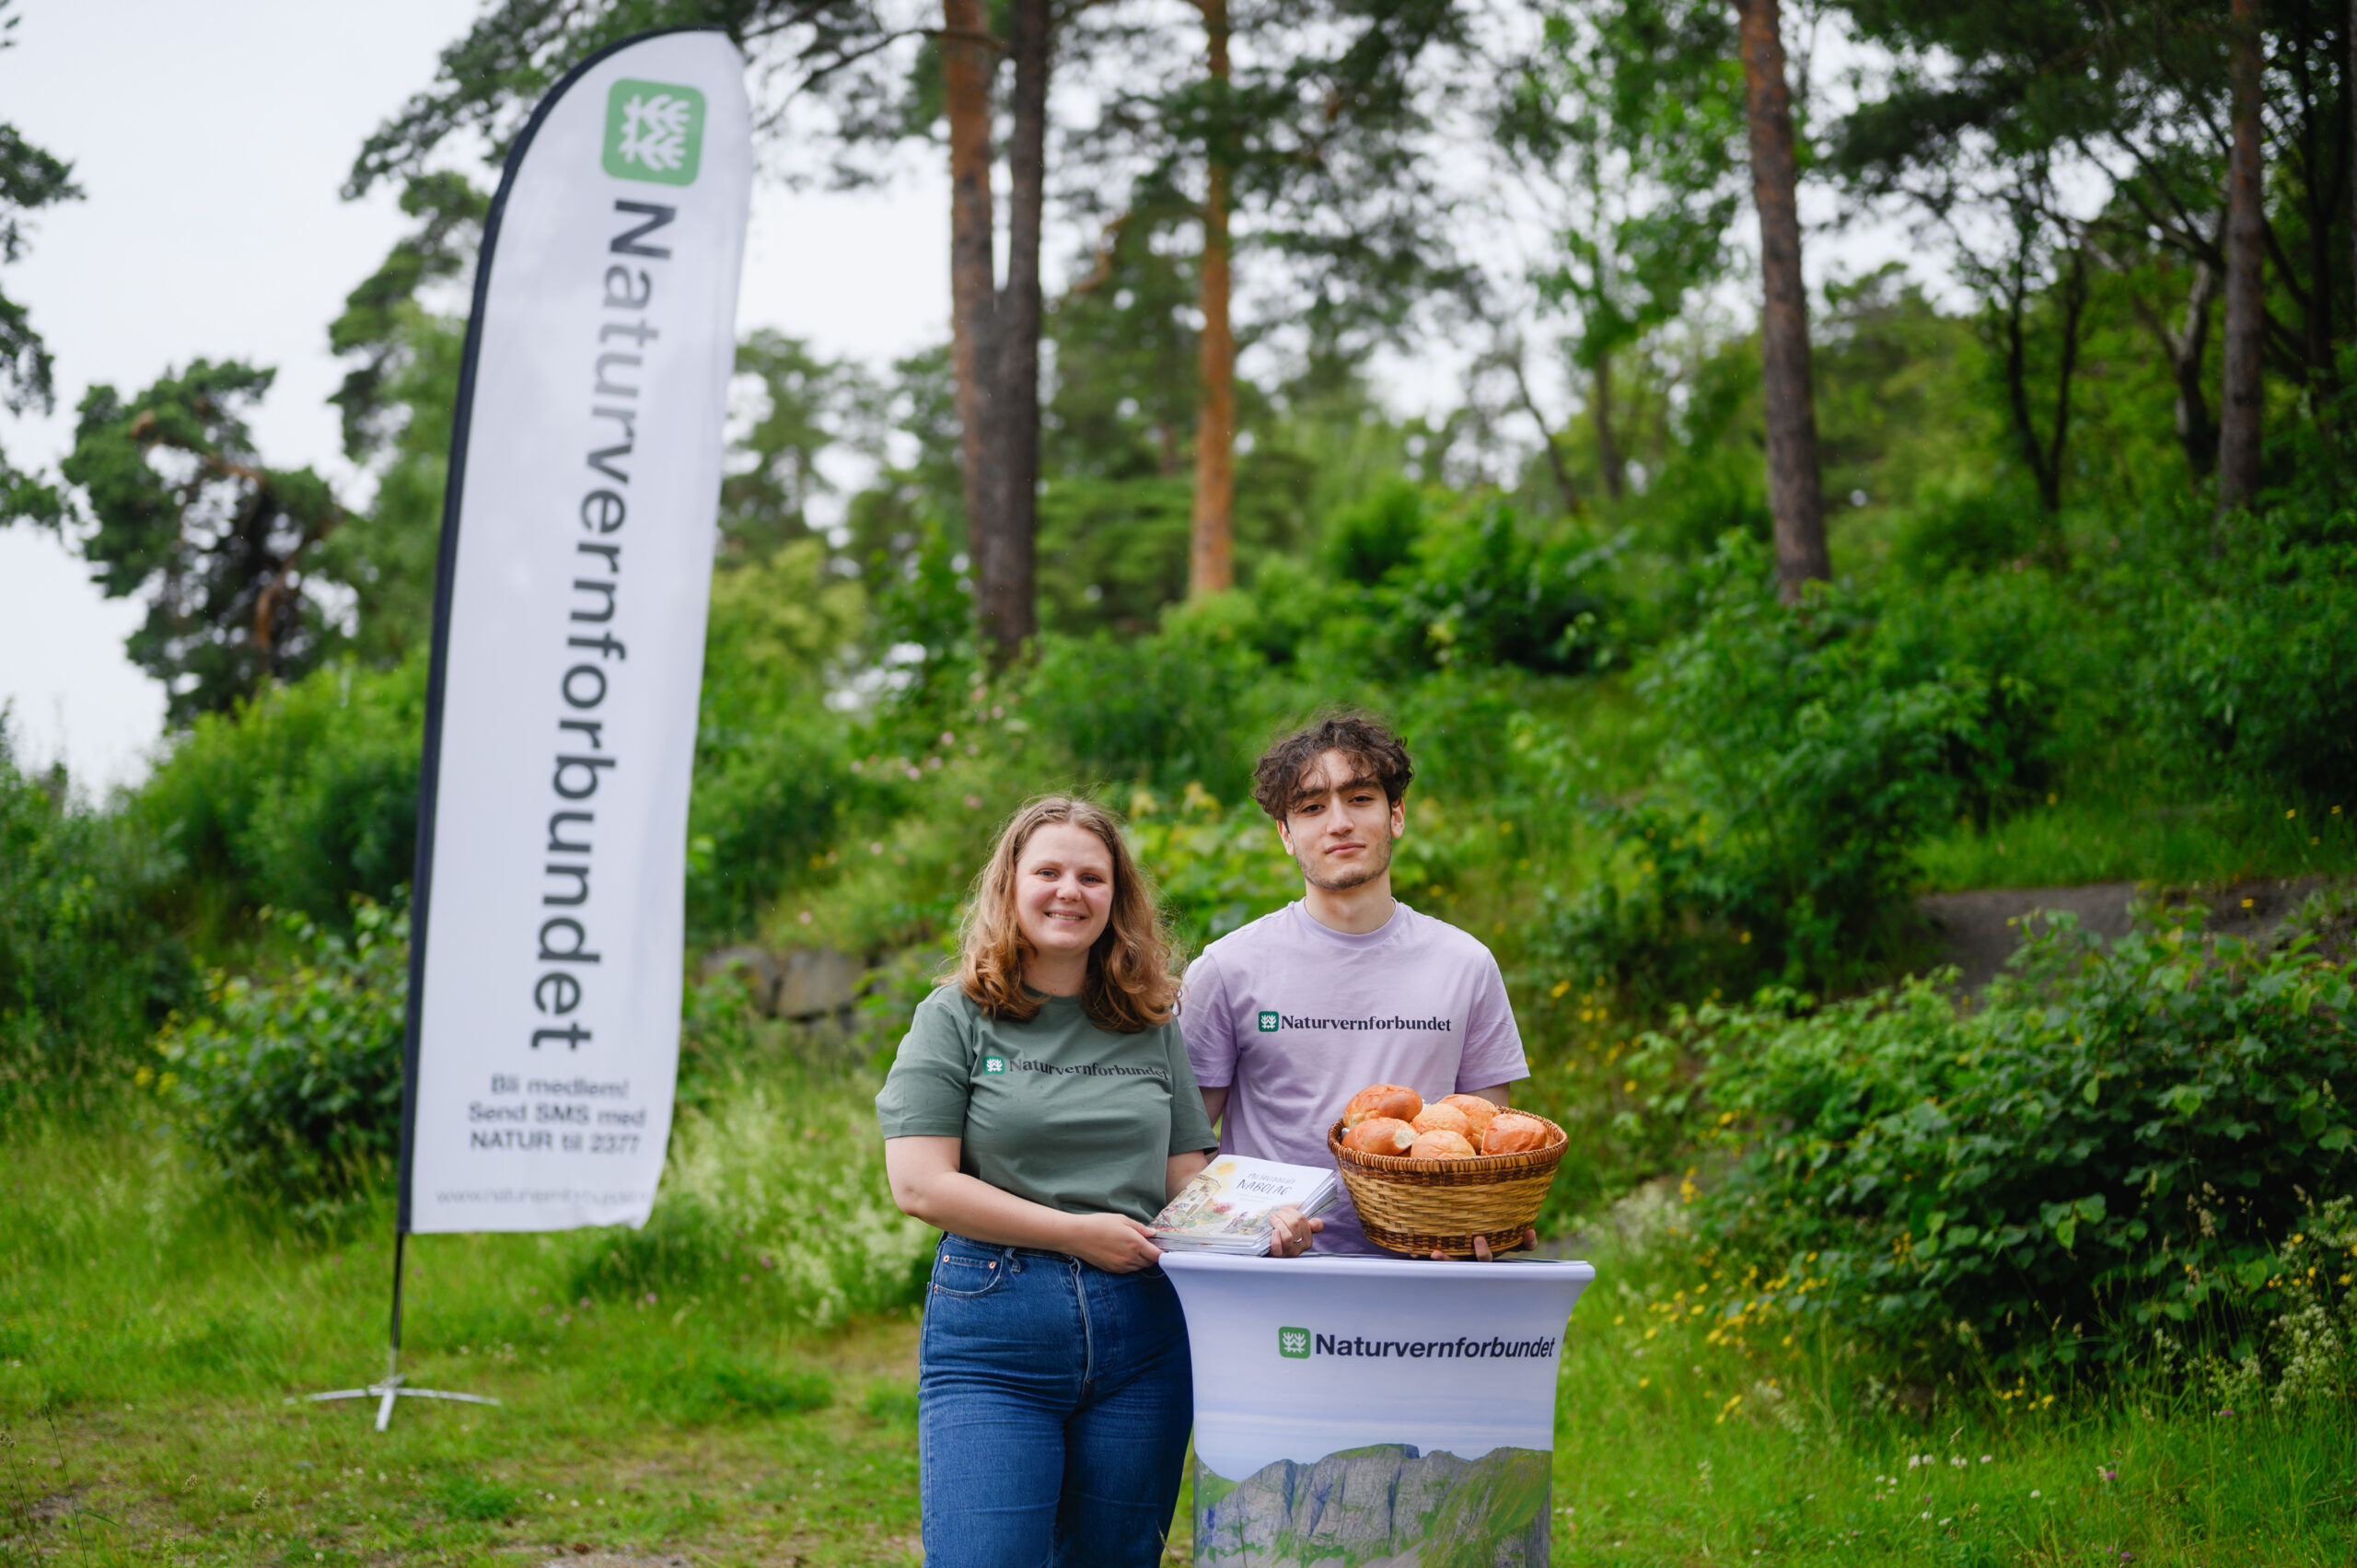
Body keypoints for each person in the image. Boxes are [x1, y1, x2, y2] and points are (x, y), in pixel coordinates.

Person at [878, 796, 1219, 1568]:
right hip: (996, 1330)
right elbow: (921, 1186)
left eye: (1092, 876)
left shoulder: (1150, 1022)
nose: (1070, 890)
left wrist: (1263, 1224)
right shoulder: (955, 1016)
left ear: (1116, 899)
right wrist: (1076, 1233)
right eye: (1049, 871)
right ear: (1011, 885)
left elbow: (1187, 1182)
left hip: (1145, 1333)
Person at [1181, 713, 1532, 1257]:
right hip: (1270, 1279)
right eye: (1312, 808)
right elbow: (1181, 1147)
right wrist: (1246, 1228)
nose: (1338, 823)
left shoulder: (1466, 963)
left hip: (1425, 1270)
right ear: (1286, 835)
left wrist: (1489, 1224)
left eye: (1360, 799)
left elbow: (1488, 1140)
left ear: (1396, 816)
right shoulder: (1228, 968)